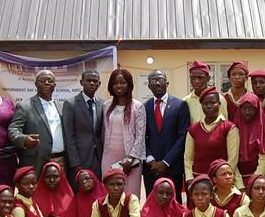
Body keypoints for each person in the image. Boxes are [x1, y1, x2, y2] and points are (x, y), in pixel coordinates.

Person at [8, 69, 67, 177]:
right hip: (36, 160)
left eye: (50, 80)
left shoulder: (62, 106)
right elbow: (13, 130)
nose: (46, 83)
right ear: (36, 84)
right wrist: (24, 139)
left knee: (59, 193)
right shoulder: (25, 106)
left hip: (61, 160)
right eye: (42, 80)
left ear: (55, 84)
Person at [143, 69, 190, 198]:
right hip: (151, 169)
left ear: (167, 83)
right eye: (153, 80)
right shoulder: (144, 107)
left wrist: (165, 162)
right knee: (152, 205)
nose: (157, 83)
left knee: (174, 205)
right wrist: (151, 160)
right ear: (149, 86)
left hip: (173, 167)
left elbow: (183, 137)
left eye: (160, 79)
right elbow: (141, 137)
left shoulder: (180, 105)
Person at [100, 68, 146, 197]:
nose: (119, 86)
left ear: (129, 85)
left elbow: (140, 136)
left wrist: (130, 158)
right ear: (111, 86)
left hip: (130, 162)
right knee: (109, 196)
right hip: (109, 158)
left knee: (130, 196)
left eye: (123, 82)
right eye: (115, 83)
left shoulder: (138, 106)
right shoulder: (106, 106)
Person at [184, 86, 239, 187]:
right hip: (198, 182)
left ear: (219, 104)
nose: (209, 106)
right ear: (201, 106)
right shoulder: (193, 129)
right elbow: (188, 158)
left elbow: (232, 159)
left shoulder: (229, 128)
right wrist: (189, 179)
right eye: (205, 103)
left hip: (220, 183)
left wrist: (223, 178)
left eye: (213, 103)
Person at [62, 69, 106, 183]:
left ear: (99, 84)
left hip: (99, 158)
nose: (92, 83)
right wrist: (75, 163)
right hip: (80, 159)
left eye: (95, 81)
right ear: (81, 82)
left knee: (97, 191)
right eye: (89, 80)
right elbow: (69, 136)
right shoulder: (71, 103)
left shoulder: (102, 104)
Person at [235, 93, 265, 179]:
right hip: (236, 177)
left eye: (251, 108)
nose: (247, 112)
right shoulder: (234, 127)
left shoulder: (263, 127)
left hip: (258, 178)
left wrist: (254, 179)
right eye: (244, 108)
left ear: (257, 109)